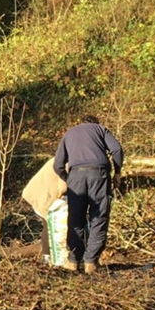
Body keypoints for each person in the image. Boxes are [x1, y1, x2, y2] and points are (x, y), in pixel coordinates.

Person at [52, 114, 124, 274]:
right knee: (98, 217)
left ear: (81, 122)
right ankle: (91, 262)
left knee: (75, 218)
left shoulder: (69, 133)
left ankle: (73, 262)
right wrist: (117, 173)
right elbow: (117, 149)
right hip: (99, 175)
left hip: (76, 176)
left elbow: (58, 165)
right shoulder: (101, 129)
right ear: (95, 122)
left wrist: (69, 179)